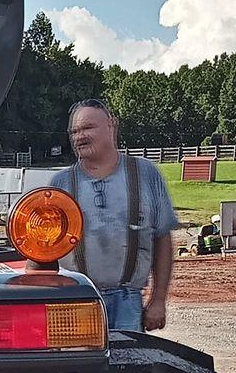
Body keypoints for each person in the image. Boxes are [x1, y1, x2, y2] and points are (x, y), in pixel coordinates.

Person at [52, 99, 177, 333]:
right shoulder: (60, 185)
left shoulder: (146, 174)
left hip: (128, 303)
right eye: (74, 131)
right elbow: (43, 252)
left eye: (88, 128)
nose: (79, 136)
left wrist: (158, 300)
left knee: (127, 368)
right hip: (75, 303)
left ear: (111, 125)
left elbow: (162, 239)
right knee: (78, 370)